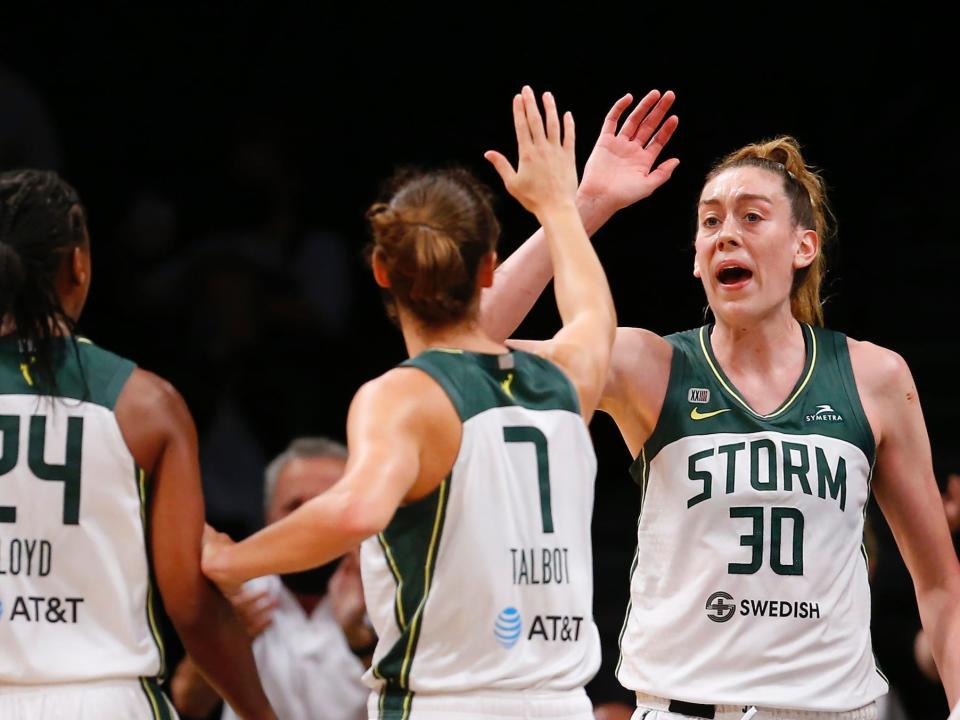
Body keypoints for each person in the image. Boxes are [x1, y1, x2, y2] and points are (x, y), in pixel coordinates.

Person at [479, 93, 960, 716]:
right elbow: (467, 349)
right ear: (699, 261)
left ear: (803, 247)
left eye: (752, 217)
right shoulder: (648, 365)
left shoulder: (873, 376)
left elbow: (941, 582)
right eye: (710, 222)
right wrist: (582, 207)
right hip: (685, 706)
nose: (726, 232)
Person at [201, 86, 617, 720]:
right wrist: (560, 206)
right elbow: (590, 312)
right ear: (488, 269)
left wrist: (231, 560)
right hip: (560, 703)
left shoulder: (402, 395)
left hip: (448, 703)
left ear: (380, 272)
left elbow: (356, 508)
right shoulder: (565, 380)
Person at [0, 169, 274, 719]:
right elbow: (191, 607)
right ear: (77, 264)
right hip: (104, 700)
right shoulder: (146, 405)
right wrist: (260, 713)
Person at [171, 437, 370, 720]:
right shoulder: (238, 591)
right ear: (268, 518)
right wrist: (226, 638)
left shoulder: (386, 595)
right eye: (294, 507)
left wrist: (361, 643)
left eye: (324, 506)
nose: (308, 522)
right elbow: (186, 703)